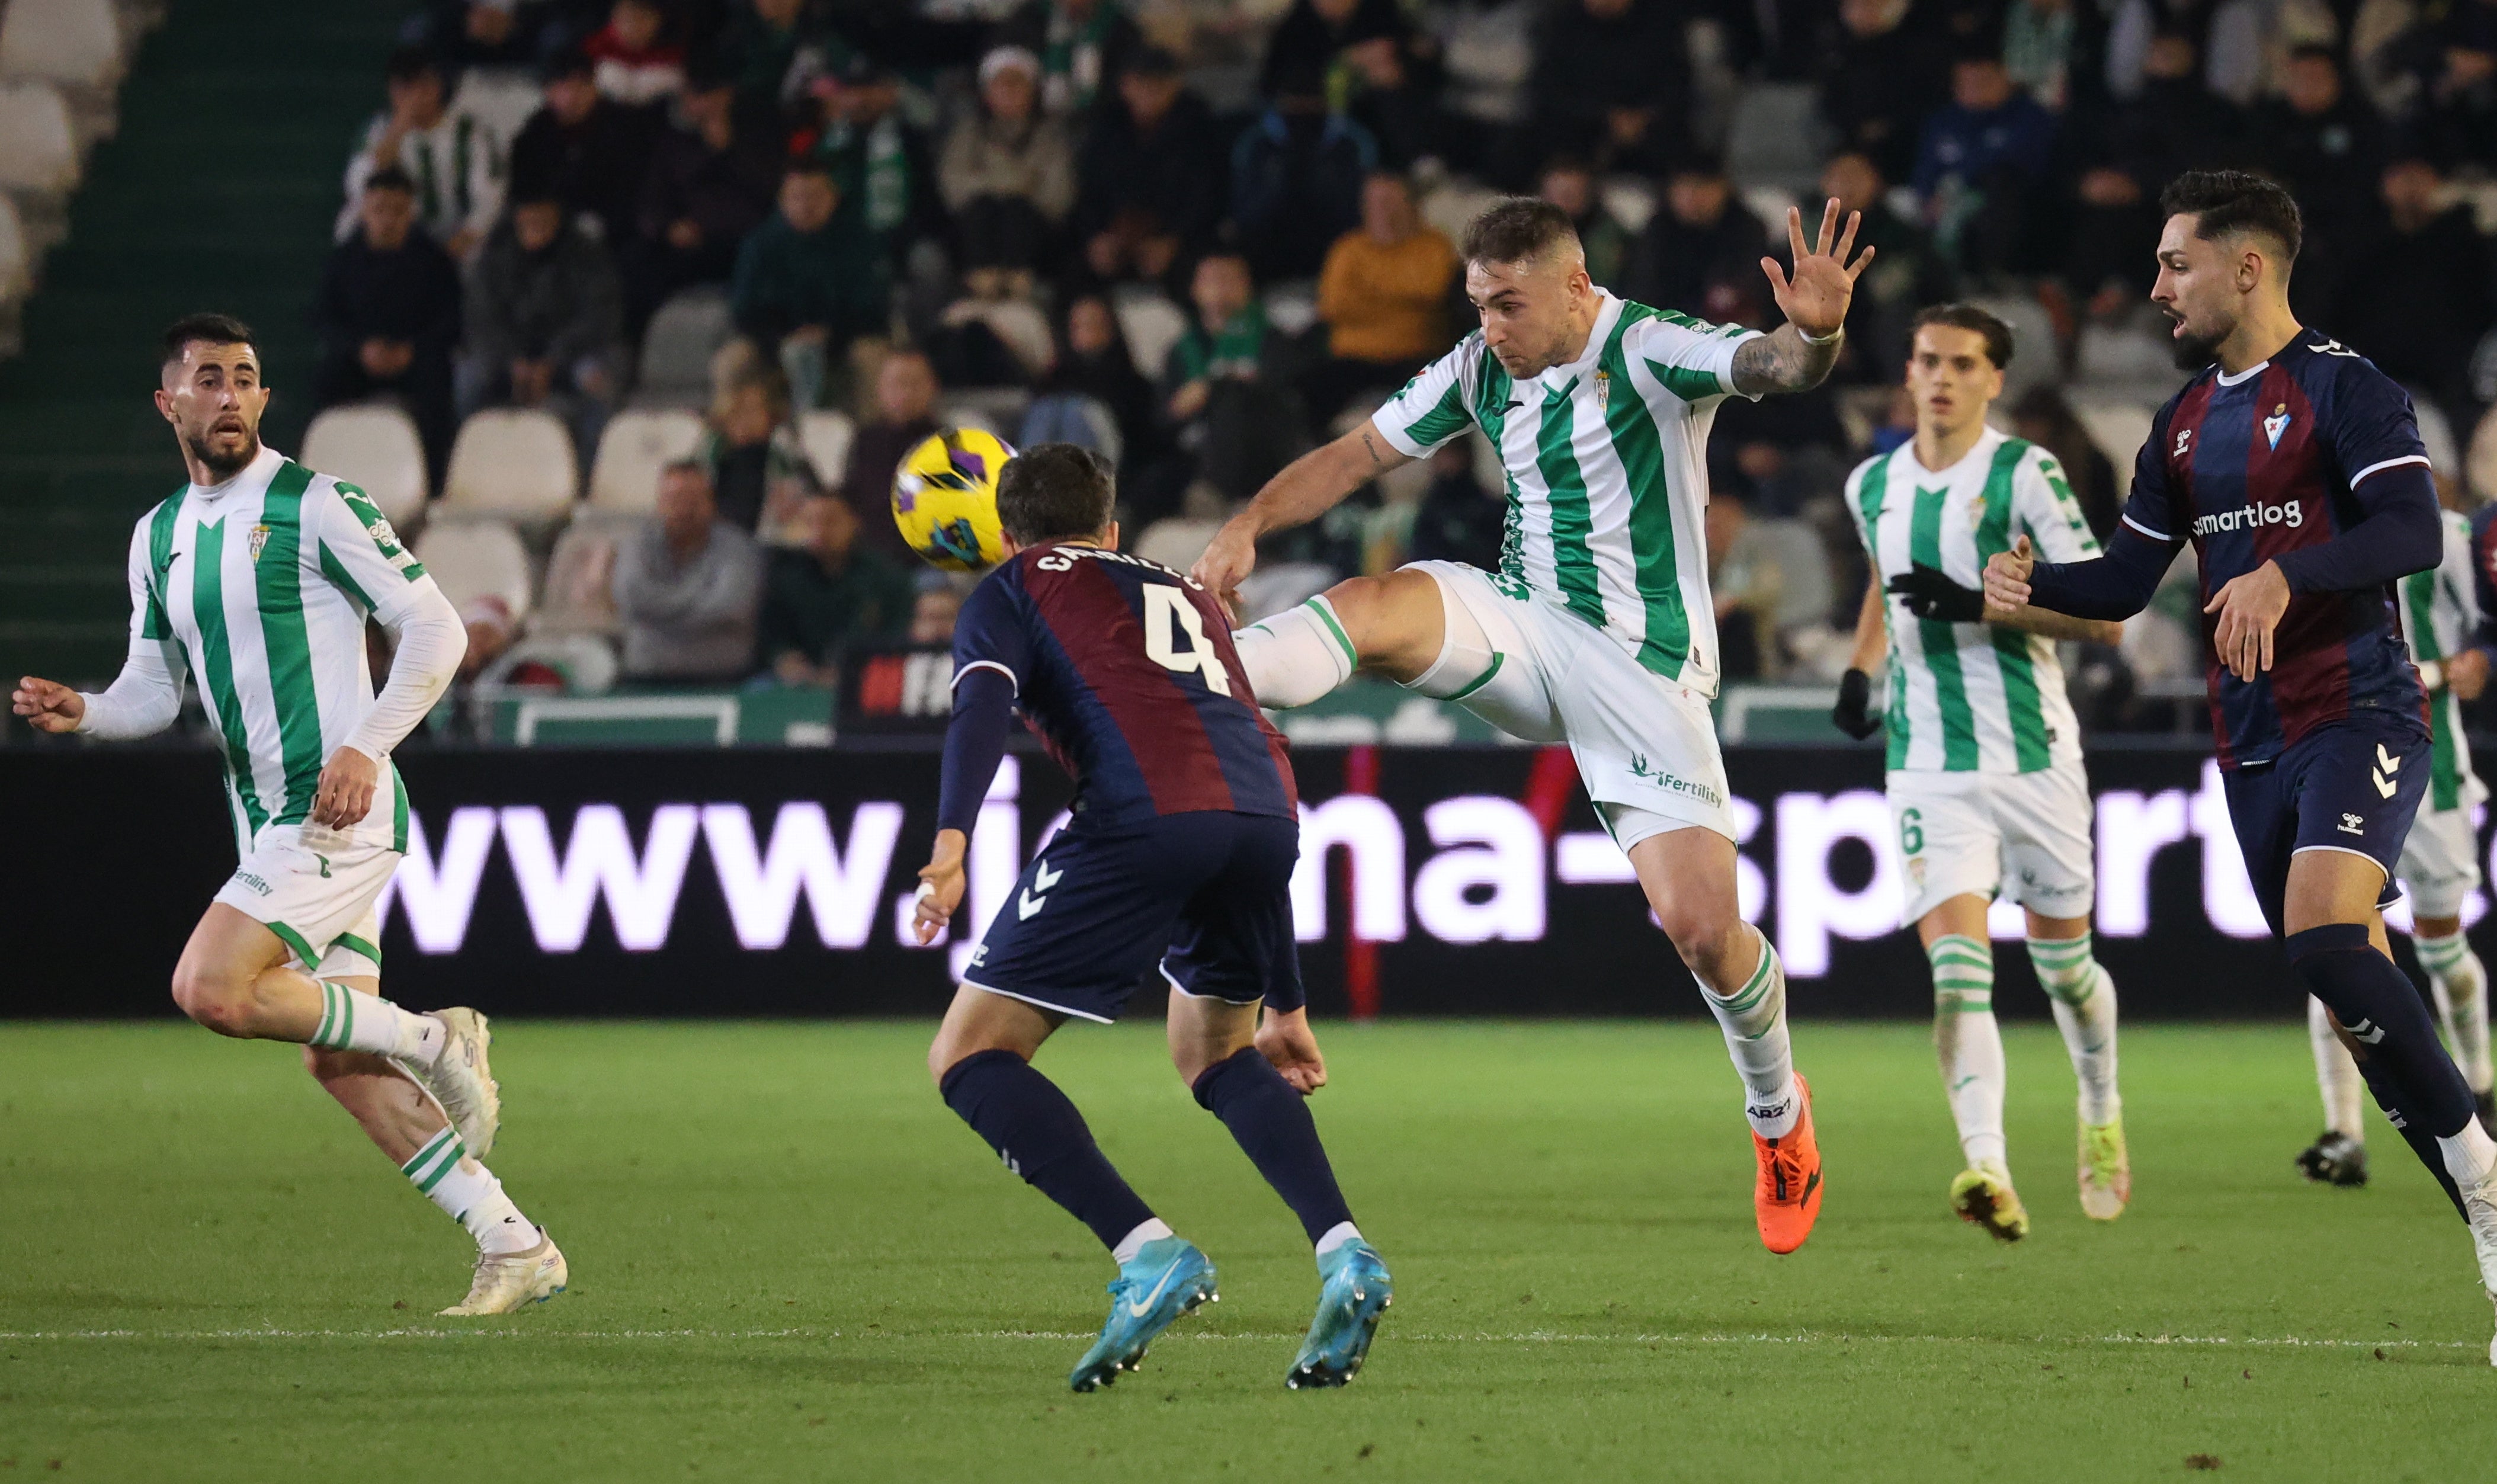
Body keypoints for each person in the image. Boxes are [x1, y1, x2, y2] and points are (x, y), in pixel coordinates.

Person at [1197, 196, 1876, 1254]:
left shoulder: (1650, 347)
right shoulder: (1479, 367)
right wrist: (1245, 525)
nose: (1491, 328)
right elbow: (1358, 456)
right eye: (1478, 304)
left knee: (1703, 933)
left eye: (1508, 306)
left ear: (1573, 287)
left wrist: (1818, 331)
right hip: (1519, 619)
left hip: (1643, 673)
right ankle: (1196, 674)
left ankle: (1778, 1114)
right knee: (1378, 606)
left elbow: (1777, 370)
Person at [1981, 170, 2497, 1361]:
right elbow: (2120, 582)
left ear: (2245, 266)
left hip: (2358, 706)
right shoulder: (2176, 424)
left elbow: (2410, 533)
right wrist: (2022, 587)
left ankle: (2481, 1173)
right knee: (2344, 987)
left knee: (2326, 936)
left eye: (2174, 263)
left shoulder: (2344, 388)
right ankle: (2477, 1199)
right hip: (2249, 736)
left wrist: (2284, 571)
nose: (2156, 286)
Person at [10, 315, 563, 1315]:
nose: (230, 395)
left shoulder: (315, 504)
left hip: (339, 806)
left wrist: (364, 746)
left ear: (265, 399)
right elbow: (154, 689)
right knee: (340, 1061)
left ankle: (437, 1039)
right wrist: (85, 712)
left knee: (210, 988)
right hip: (264, 819)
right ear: (167, 403)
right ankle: (513, 1243)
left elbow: (434, 629)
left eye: (247, 378)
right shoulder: (159, 536)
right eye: (209, 378)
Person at [912, 443, 1392, 1392]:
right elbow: (1242, 738)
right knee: (1216, 1052)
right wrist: (1284, 999)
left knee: (969, 1057)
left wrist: (953, 841)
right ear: (1113, 529)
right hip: (1264, 812)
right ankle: (1344, 1250)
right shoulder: (1183, 589)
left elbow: (979, 709)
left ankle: (1145, 1251)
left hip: (1144, 814)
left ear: (1008, 535)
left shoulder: (1011, 585)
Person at [1832, 303, 2129, 1239]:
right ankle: (1987, 1166)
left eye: (1962, 364)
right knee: (1958, 975)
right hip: (1924, 762)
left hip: (2033, 754)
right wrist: (1858, 668)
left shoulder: (2023, 474)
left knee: (2065, 969)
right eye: (1927, 360)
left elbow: (2102, 615)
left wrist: (1979, 604)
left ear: (1993, 379)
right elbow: (1887, 584)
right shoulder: (1869, 483)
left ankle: (2098, 1105)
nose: (1942, 378)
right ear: (1907, 372)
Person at [2302, 485, 2497, 1184]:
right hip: (2341, 764)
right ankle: (2343, 1130)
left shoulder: (2444, 536)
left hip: (2430, 769)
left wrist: (2474, 662)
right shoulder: (2306, 528)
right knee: (2332, 944)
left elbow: (2485, 634)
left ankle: (2480, 1085)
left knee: (2443, 947)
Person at [313, 166, 462, 483]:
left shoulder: (434, 261)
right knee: (326, 380)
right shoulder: (344, 261)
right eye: (379, 210)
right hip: (360, 362)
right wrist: (360, 350)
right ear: (365, 211)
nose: (388, 219)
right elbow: (325, 319)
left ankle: (432, 485)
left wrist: (413, 351)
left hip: (416, 362)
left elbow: (451, 322)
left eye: (397, 211)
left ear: (410, 213)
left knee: (438, 388)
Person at [457, 188, 626, 458]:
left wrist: (553, 361)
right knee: (469, 379)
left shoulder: (586, 256)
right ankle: (469, 462)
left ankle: (590, 471)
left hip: (572, 356)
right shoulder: (495, 258)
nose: (536, 224)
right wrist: (514, 361)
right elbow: (483, 321)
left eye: (543, 217)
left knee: (596, 380)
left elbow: (598, 318)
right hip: (510, 361)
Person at [629, 56, 781, 330]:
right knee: (639, 261)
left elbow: (771, 192)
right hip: (692, 242)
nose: (703, 104)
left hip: (744, 243)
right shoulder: (673, 143)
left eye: (711, 95)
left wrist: (728, 149)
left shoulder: (758, 134)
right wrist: (669, 227)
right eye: (695, 95)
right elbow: (652, 202)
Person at [730, 161, 892, 412]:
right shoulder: (760, 245)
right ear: (782, 201)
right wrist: (783, 339)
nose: (807, 206)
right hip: (776, 343)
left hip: (846, 341)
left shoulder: (859, 242)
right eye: (797, 197)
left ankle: (872, 441)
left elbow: (873, 308)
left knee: (871, 358)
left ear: (833, 199)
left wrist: (830, 335)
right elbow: (745, 311)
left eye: (816, 196)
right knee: (733, 361)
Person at [1306, 172, 1458, 420]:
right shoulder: (1347, 249)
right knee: (1309, 390)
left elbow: (1433, 294)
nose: (1382, 211)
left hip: (1415, 356)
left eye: (1389, 202)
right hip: (1352, 359)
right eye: (1374, 203)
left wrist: (1367, 295)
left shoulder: (1434, 246)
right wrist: (1403, 301)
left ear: (1410, 204)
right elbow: (1332, 306)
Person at [1070, 47, 1225, 284]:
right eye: (1141, 83)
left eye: (1159, 84)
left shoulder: (1198, 128)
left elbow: (1207, 196)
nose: (1149, 92)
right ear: (1125, 86)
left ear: (1175, 86)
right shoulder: (1106, 126)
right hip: (1115, 235)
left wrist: (1174, 239)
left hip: (1176, 238)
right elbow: (1089, 189)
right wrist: (1097, 236)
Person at [339, 46, 505, 261]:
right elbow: (358, 188)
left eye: (422, 85)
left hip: (458, 241)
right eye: (403, 87)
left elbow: (489, 199)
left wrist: (453, 250)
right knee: (347, 225)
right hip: (400, 242)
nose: (413, 97)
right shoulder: (378, 131)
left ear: (438, 86)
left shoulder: (469, 133)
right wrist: (397, 133)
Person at [939, 47, 1078, 297]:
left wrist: (1011, 193)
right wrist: (1014, 185)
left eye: (1017, 84)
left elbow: (1059, 194)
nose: (1009, 92)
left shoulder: (1050, 137)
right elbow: (954, 185)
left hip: (1034, 235)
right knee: (984, 210)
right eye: (1001, 85)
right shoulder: (969, 134)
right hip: (978, 232)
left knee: (1017, 212)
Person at [614, 460, 765, 681]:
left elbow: (730, 606)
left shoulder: (738, 547)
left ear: (711, 503)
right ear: (659, 503)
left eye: (693, 501)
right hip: (647, 675)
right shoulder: (636, 545)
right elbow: (630, 599)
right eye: (675, 500)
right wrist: (696, 598)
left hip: (722, 677)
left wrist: (658, 615)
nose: (684, 510)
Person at [507, 47, 661, 254]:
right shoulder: (533, 136)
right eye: (564, 86)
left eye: (582, 85)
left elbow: (637, 190)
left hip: (618, 235)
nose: (573, 96)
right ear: (548, 91)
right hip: (554, 234)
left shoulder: (627, 128)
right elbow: (526, 194)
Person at [757, 493, 915, 685]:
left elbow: (898, 633)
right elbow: (772, 633)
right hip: (800, 680)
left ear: (854, 522)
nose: (820, 532)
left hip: (867, 676)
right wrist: (784, 658)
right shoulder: (786, 576)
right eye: (810, 523)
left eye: (830, 522)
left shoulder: (884, 577)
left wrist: (853, 668)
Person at [839, 350, 944, 560]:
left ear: (933, 388)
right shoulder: (865, 441)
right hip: (870, 560)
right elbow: (852, 498)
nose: (906, 393)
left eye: (914, 383)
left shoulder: (947, 444)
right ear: (881, 390)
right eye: (898, 384)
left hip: (929, 560)